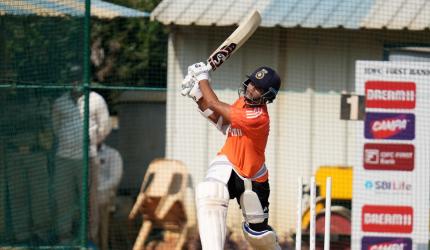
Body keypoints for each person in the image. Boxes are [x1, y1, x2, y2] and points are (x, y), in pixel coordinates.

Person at [181, 62, 282, 250]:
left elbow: (214, 104)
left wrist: (202, 78)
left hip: (255, 178)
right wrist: (197, 95)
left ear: (268, 95)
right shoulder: (242, 103)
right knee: (209, 191)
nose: (251, 89)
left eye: (258, 88)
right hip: (229, 163)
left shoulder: (258, 117)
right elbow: (223, 123)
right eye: (252, 83)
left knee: (258, 236)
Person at [97, 143, 123, 250]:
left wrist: (97, 190)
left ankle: (103, 246)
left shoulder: (112, 154)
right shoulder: (80, 153)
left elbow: (115, 179)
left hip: (103, 198)